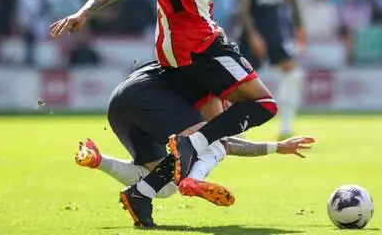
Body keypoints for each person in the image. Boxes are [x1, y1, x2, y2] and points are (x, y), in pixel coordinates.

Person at [50, 0, 292, 226]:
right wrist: (85, 11)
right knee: (265, 105)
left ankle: (141, 194)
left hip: (189, 50)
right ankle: (191, 147)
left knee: (205, 141)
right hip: (200, 45)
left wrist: (274, 149)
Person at [73, 62, 314, 220]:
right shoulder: (214, 87)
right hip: (147, 96)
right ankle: (192, 180)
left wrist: (277, 147)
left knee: (163, 184)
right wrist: (274, 148)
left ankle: (98, 160)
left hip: (120, 103)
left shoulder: (202, 73)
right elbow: (225, 142)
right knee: (207, 142)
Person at [236, 0, 306, 140]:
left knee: (294, 73)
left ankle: (286, 125)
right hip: (252, 34)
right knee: (242, 85)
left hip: (275, 31)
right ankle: (238, 130)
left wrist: (299, 25)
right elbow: (244, 8)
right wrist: (253, 34)